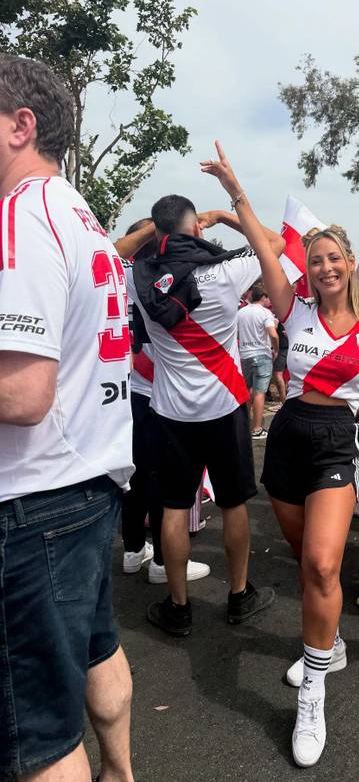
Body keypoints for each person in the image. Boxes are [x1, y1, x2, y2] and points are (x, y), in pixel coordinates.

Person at [201, 141, 359, 768]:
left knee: (322, 565)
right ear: (309, 267)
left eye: (336, 258)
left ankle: (314, 687)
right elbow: (259, 244)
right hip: (287, 438)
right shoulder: (293, 305)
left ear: (349, 263)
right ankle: (326, 643)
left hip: (337, 442)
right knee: (303, 553)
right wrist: (238, 194)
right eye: (320, 259)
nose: (329, 267)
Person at [0, 56, 134, 781]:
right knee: (95, 647)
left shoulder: (19, 216)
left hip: (32, 497)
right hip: (89, 482)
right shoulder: (79, 213)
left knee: (37, 734)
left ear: (22, 126)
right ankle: (122, 771)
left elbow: (22, 395)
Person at [125, 198, 280, 636]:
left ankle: (178, 607)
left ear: (159, 233)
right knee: (233, 504)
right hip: (225, 405)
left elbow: (111, 251)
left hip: (171, 411)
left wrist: (153, 235)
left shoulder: (139, 278)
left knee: (173, 507)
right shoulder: (226, 271)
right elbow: (276, 243)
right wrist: (227, 217)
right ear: (195, 229)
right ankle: (238, 594)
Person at [119, 219, 210, 584]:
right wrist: (164, 229)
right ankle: (162, 563)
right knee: (163, 479)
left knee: (135, 474)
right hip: (162, 393)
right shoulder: (162, 276)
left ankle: (132, 550)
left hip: (134, 391)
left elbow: (112, 251)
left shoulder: (123, 275)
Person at [237, 281, 279, 438]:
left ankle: (243, 425)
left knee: (246, 391)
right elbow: (273, 334)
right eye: (268, 297)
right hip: (262, 354)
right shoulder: (265, 313)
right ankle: (257, 429)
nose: (270, 301)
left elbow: (236, 334)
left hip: (244, 355)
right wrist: (275, 349)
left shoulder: (240, 312)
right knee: (260, 392)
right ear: (263, 297)